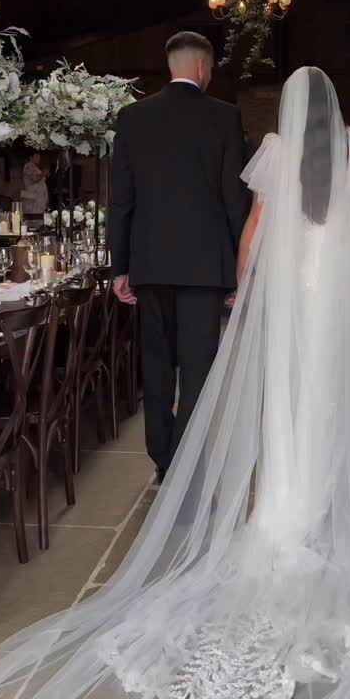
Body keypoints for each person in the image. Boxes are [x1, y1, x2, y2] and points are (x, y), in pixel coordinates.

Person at [0, 66, 350, 699]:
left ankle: (278, 509)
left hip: (290, 285)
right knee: (332, 392)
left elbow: (255, 226)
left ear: (291, 107)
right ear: (337, 106)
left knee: (282, 394)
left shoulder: (279, 150)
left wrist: (245, 287)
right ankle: (320, 508)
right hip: (338, 278)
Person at [111, 31, 248, 481]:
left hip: (149, 264)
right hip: (205, 267)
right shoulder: (225, 118)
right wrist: (238, 268)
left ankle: (161, 458)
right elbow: (234, 198)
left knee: (156, 364)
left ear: (172, 65)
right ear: (204, 67)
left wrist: (121, 266)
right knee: (197, 369)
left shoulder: (132, 117)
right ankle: (187, 461)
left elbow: (121, 200)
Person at [20, 152, 49, 217]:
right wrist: (43, 173)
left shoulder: (35, 167)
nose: (39, 159)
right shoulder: (29, 166)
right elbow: (34, 179)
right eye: (36, 157)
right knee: (34, 217)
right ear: (31, 158)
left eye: (39, 157)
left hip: (39, 197)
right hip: (33, 197)